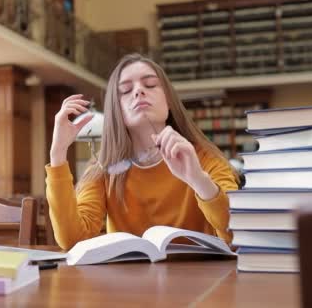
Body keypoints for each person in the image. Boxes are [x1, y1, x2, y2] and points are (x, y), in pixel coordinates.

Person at [46, 53, 239, 250]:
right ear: (117, 110)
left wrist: (198, 179)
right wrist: (58, 154)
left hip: (203, 277)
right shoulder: (102, 169)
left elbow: (237, 234)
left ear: (169, 101)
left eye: (150, 85)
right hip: (128, 279)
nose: (138, 91)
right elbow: (72, 241)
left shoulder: (206, 158)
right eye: (126, 90)